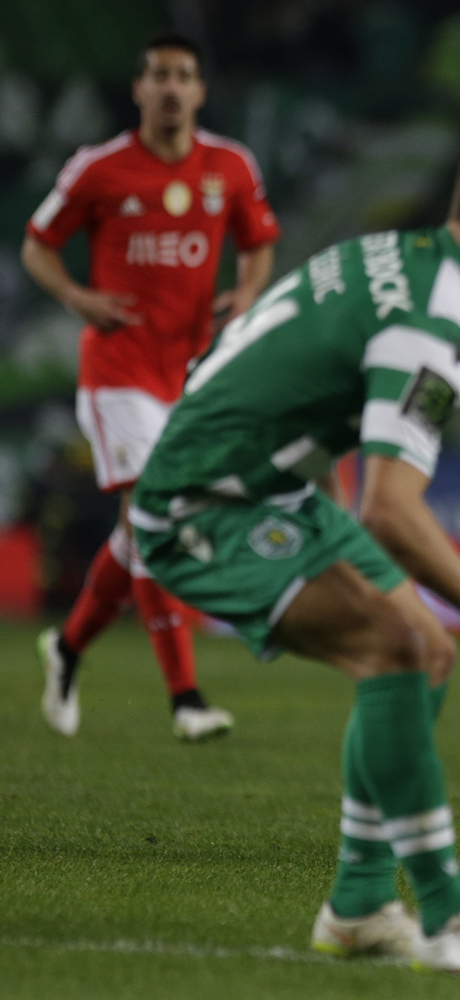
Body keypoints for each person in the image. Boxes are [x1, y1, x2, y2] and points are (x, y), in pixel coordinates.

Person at [128, 123, 460, 977]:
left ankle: (358, 906)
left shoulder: (396, 253)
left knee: (426, 654)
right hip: (208, 506)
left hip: (272, 483)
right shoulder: (434, 327)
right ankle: (449, 916)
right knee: (401, 647)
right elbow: (389, 510)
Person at [23, 32, 280, 740]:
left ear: (199, 91)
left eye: (184, 76)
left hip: (190, 376)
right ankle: (186, 699)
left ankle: (68, 648)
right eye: (160, 75)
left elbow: (259, 241)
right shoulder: (99, 169)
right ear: (139, 90)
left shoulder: (229, 165)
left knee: (140, 533)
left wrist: (249, 294)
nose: (172, 87)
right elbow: (36, 243)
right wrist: (78, 298)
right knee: (155, 516)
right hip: (117, 375)